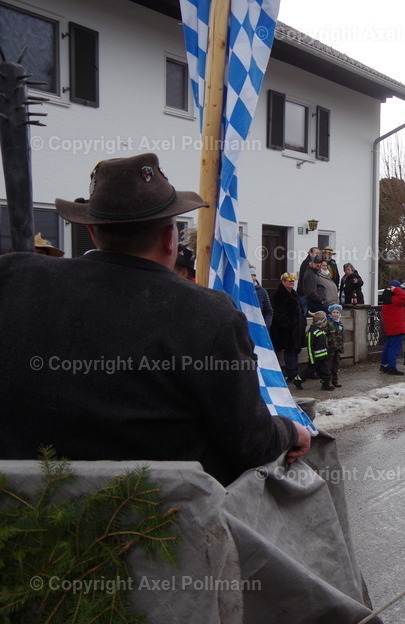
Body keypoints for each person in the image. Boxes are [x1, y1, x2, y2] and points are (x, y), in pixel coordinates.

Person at [0, 152, 309, 485]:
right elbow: (251, 444)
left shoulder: (14, 277)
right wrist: (290, 431)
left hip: (15, 505)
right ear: (169, 238)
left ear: (92, 231)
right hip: (156, 511)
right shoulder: (209, 314)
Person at [271, 272, 305, 389]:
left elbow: (300, 309)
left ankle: (294, 371)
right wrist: (287, 324)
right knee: (290, 350)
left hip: (297, 328)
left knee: (296, 350)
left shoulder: (294, 294)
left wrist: (302, 323)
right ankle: (292, 374)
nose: (291, 282)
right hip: (287, 330)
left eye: (293, 281)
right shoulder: (279, 294)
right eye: (289, 281)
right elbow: (278, 312)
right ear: (283, 282)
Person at [380, 280, 405, 375]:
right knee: (394, 348)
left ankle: (384, 365)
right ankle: (391, 367)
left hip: (390, 326)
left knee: (388, 346)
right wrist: (396, 289)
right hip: (396, 327)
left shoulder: (387, 298)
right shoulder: (394, 299)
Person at [300, 311, 333, 390]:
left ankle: (326, 384)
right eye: (325, 321)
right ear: (321, 322)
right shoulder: (312, 332)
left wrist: (326, 353)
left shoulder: (321, 330)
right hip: (315, 358)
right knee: (309, 371)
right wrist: (311, 359)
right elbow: (309, 346)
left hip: (323, 357)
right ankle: (298, 380)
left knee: (325, 371)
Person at [325, 303, 345, 388]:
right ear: (330, 313)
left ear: (339, 314)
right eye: (334, 312)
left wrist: (341, 347)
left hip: (338, 348)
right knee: (329, 365)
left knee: (336, 365)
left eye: (337, 312)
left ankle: (335, 380)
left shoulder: (340, 324)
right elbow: (325, 335)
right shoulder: (328, 323)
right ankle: (328, 381)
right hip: (330, 348)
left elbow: (341, 336)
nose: (335, 314)